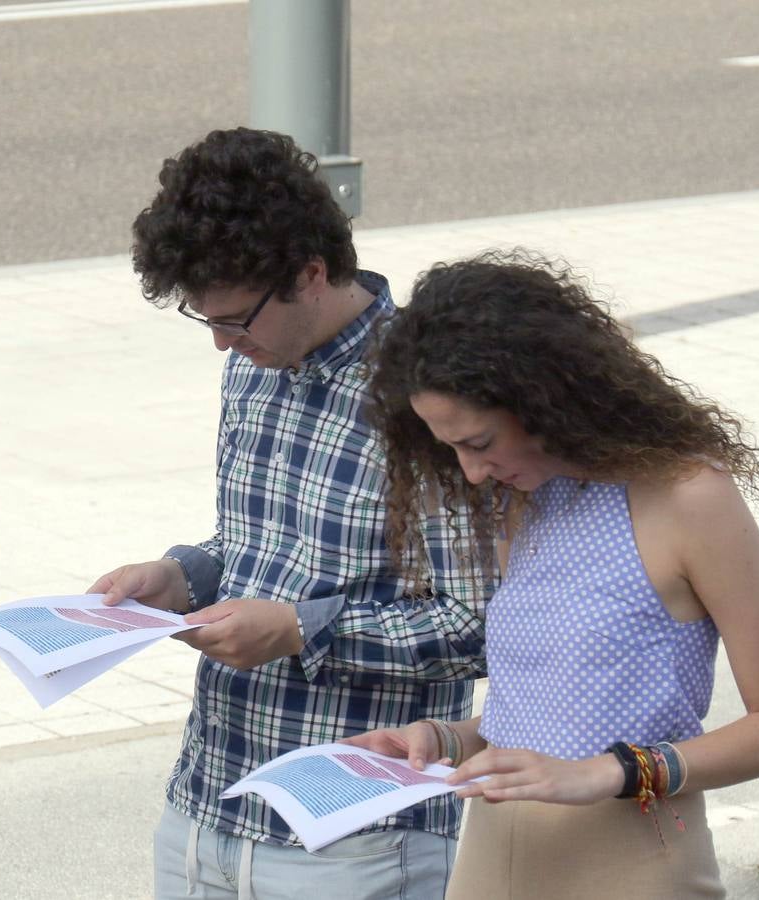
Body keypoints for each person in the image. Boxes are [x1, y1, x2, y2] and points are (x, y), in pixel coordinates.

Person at [89, 127, 491, 899]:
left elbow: (481, 625)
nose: (219, 345)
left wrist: (302, 630)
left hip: (357, 835)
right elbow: (255, 547)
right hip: (206, 805)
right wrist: (179, 576)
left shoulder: (430, 396)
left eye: (234, 320)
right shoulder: (256, 364)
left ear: (310, 273)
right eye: (202, 320)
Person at [349, 250, 759, 898]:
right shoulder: (521, 500)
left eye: (479, 443)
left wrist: (612, 773)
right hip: (488, 863)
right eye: (447, 447)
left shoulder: (686, 497)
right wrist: (442, 741)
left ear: (544, 400)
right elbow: (548, 715)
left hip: (633, 866)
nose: (470, 473)